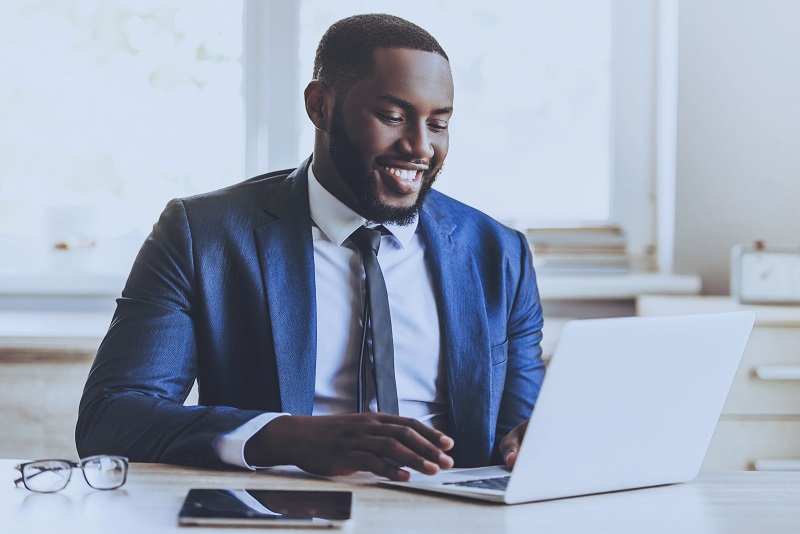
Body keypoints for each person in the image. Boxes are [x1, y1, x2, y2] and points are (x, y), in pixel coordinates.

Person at [76, 13, 545, 482]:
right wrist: (288, 437)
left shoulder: (501, 255)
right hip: (283, 514)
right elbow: (111, 418)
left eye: (438, 124)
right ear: (320, 105)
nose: (420, 147)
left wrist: (533, 441)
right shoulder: (203, 236)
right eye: (392, 117)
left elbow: (516, 446)